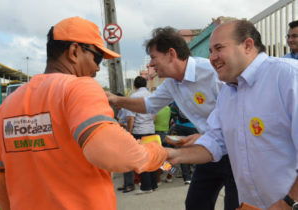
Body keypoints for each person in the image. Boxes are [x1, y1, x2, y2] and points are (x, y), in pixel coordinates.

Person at [0, 16, 167, 210]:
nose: (96, 68)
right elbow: (110, 151)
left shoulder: (7, 106)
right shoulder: (77, 88)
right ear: (74, 51)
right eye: (98, 58)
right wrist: (154, 153)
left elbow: (2, 180)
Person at [166, 19, 298, 210]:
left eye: (219, 48)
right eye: (211, 51)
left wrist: (289, 202)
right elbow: (215, 142)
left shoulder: (288, 78)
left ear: (247, 45)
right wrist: (172, 155)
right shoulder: (227, 94)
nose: (212, 58)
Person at [107, 27, 239, 210]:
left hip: (236, 152)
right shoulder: (171, 83)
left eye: (154, 57)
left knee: (235, 205)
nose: (151, 64)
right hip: (207, 151)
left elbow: (238, 113)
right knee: (195, 203)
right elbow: (148, 105)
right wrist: (116, 100)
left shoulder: (211, 73)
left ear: (171, 54)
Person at [125, 76, 157, 195]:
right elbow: (154, 116)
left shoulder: (133, 97)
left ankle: (146, 186)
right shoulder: (152, 96)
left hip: (139, 131)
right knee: (152, 157)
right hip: (150, 130)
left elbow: (130, 118)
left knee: (142, 159)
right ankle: (154, 184)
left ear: (134, 86)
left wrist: (129, 132)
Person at [168, 101, 196, 185]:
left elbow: (173, 112)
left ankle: (187, 178)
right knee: (197, 151)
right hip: (194, 126)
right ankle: (196, 175)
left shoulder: (178, 99)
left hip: (180, 126)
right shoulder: (196, 96)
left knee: (183, 152)